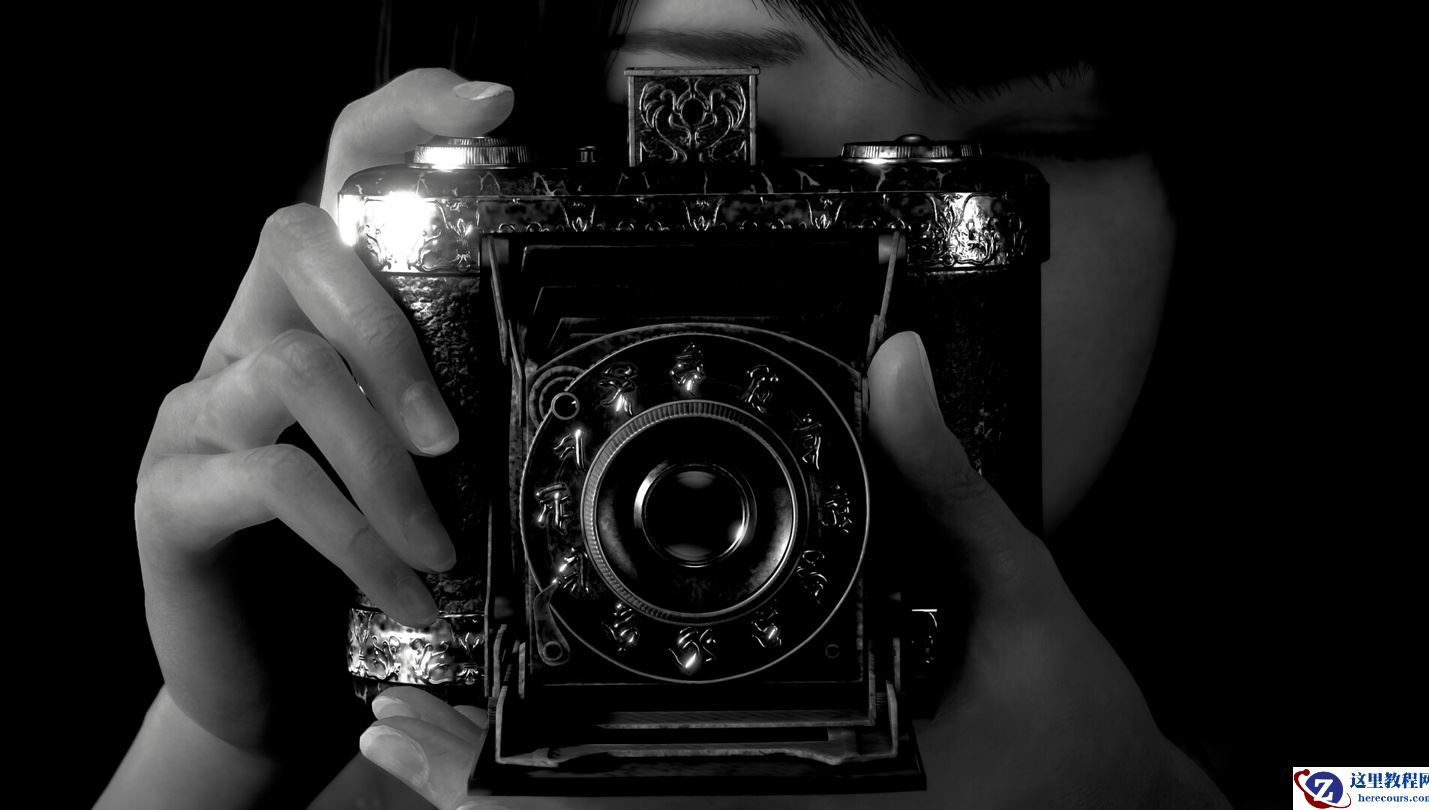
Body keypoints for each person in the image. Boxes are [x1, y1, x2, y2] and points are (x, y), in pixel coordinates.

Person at [99, 2, 1238, 807]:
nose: (854, 256)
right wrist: (228, 749)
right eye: (721, 163)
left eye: (1024, 144)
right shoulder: (397, 748)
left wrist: (1163, 796)